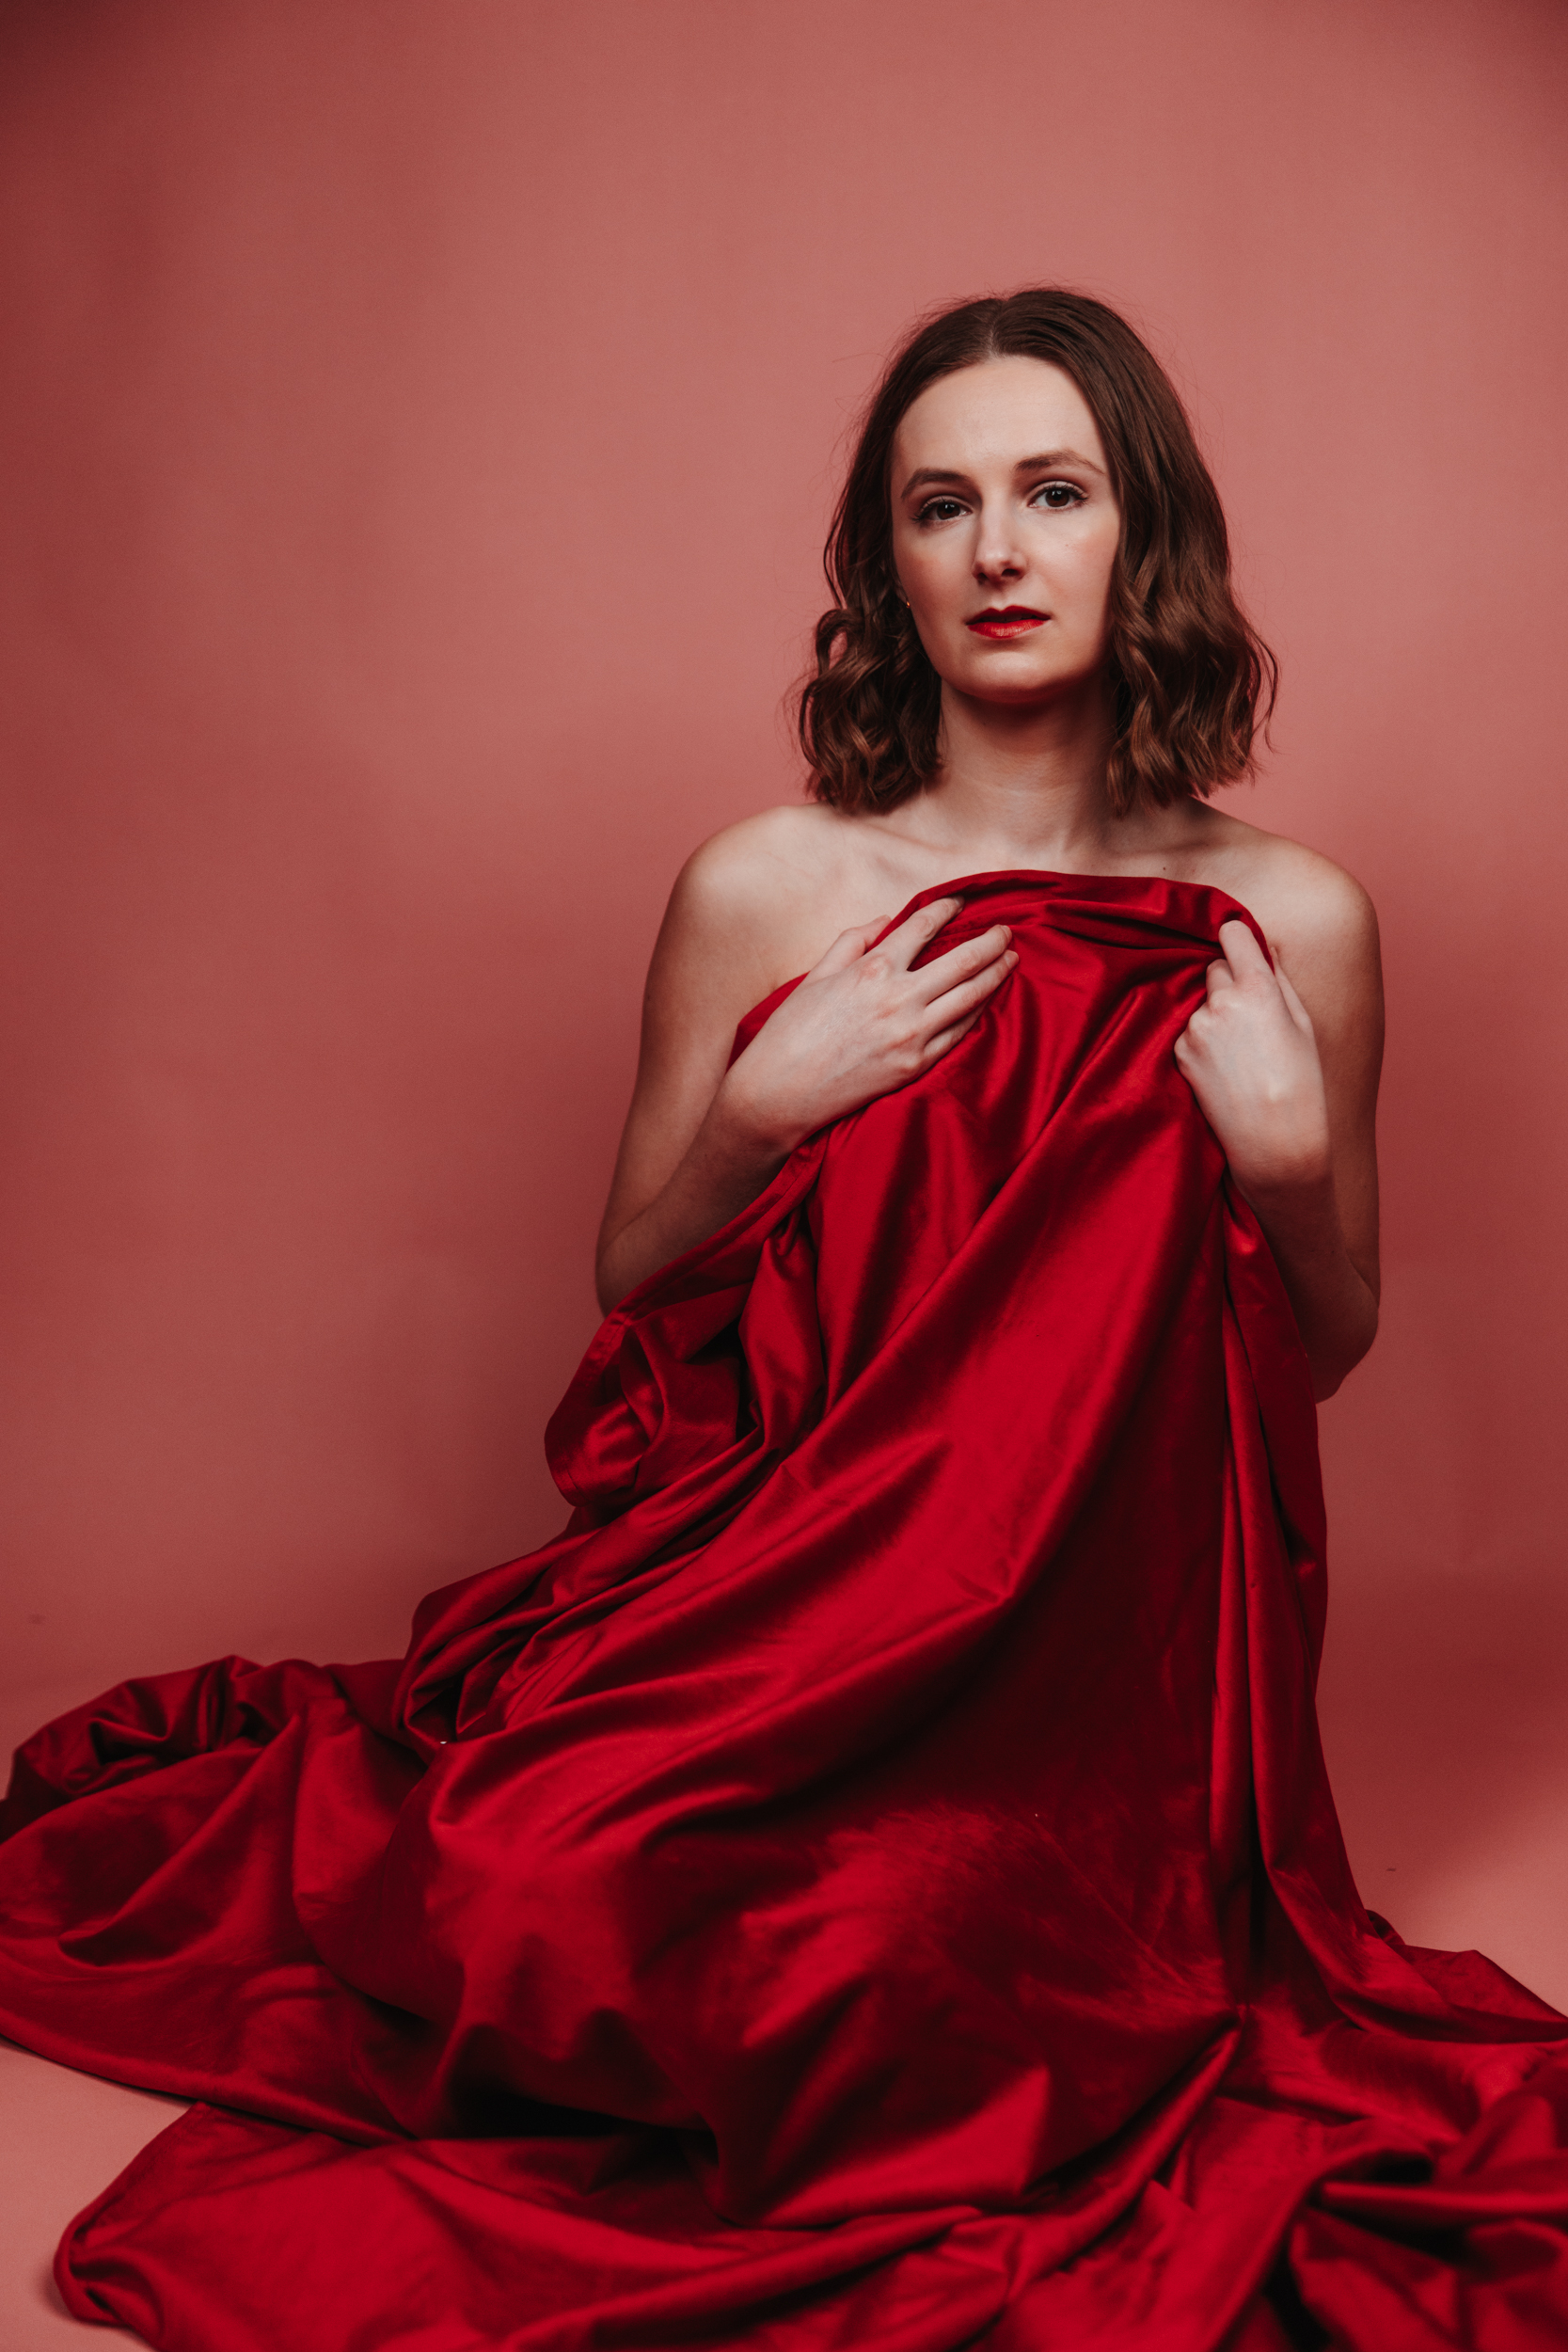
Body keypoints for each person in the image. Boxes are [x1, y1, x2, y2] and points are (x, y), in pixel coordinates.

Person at [3, 291, 1567, 2352]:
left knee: (939, 2001)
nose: (998, 550)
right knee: (535, 1896)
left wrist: (1282, 1161)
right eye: (941, 504)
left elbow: (1329, 1341)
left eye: (1054, 492)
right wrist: (760, 1104)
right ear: (886, 563)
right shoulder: (767, 884)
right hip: (774, 1612)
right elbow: (636, 1271)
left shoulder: (1299, 918)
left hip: (1112, 1687)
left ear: (1145, 532)